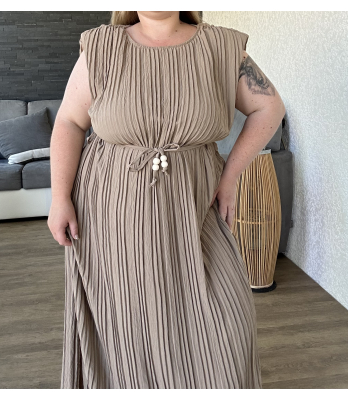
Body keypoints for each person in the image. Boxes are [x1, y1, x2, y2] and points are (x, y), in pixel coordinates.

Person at [48, 11, 285, 389]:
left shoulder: (221, 46)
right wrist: (60, 197)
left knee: (227, 319)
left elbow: (269, 108)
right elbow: (70, 122)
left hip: (195, 206)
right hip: (112, 214)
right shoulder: (101, 47)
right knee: (127, 323)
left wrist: (230, 176)